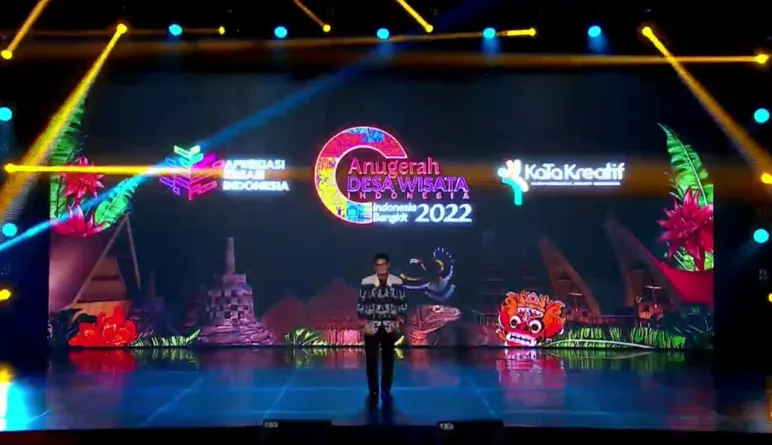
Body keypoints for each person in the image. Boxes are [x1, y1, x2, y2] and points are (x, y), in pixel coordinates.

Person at [358, 253, 407, 402]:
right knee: (371, 361)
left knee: (388, 361)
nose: (381, 267)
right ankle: (373, 391)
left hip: (389, 326)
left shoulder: (397, 282)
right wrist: (364, 324)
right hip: (371, 326)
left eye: (383, 264)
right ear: (374, 267)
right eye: (378, 265)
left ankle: (386, 389)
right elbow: (361, 305)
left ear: (388, 265)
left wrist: (398, 322)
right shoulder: (366, 282)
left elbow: (402, 304)